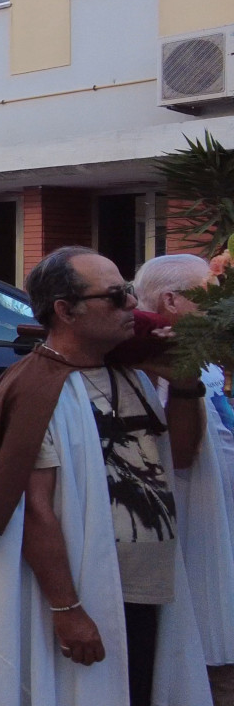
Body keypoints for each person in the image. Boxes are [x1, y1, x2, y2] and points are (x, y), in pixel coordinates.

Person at [0, 246, 210, 706]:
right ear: (65, 310)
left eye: (129, 293)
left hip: (147, 585)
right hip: (86, 589)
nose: (133, 306)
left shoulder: (131, 375)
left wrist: (183, 385)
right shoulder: (35, 388)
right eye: (116, 296)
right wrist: (67, 609)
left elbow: (179, 455)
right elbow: (36, 509)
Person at [136, 253, 234, 704]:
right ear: (172, 301)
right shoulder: (156, 361)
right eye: (209, 295)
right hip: (189, 515)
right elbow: (181, 450)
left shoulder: (205, 357)